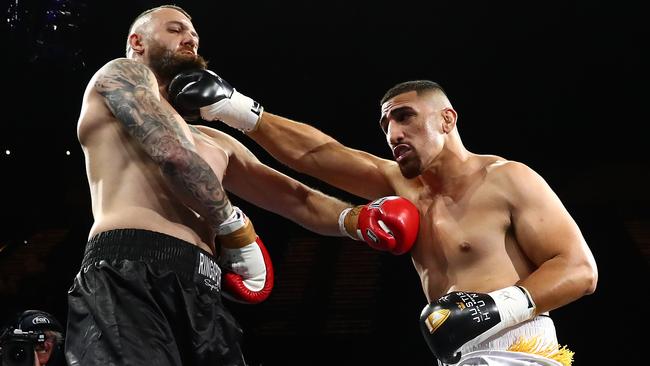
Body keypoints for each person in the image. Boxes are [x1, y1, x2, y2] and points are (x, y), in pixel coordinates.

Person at [69, 4, 420, 366]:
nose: (190, 38)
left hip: (203, 286)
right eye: (175, 30)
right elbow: (173, 156)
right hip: (129, 271)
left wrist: (358, 219)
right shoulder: (119, 75)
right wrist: (235, 228)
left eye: (194, 34)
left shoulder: (213, 140)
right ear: (136, 41)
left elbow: (295, 198)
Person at [167, 75, 599, 365]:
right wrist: (235, 108)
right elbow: (317, 155)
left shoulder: (508, 179)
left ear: (447, 119)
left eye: (404, 117)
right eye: (386, 122)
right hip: (456, 354)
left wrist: (496, 307)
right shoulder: (402, 184)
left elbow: (580, 270)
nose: (393, 133)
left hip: (520, 346)